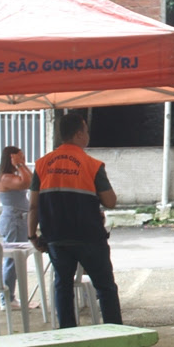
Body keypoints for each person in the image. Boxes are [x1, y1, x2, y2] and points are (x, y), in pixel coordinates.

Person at [27, 113, 122, 328]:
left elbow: (33, 205)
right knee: (105, 287)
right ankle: (115, 333)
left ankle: (69, 333)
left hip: (56, 237)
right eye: (86, 131)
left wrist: (32, 235)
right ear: (79, 133)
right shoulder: (92, 165)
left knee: (63, 285)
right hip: (89, 237)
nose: (88, 135)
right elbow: (110, 201)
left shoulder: (42, 164)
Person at [0, 145, 32, 309]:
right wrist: (19, 165)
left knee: (18, 260)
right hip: (14, 220)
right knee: (12, 260)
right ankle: (6, 298)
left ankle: (11, 296)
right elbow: (26, 183)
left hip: (20, 219)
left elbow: (32, 180)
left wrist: (21, 165)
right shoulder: (6, 178)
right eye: (19, 157)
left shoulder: (14, 174)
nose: (23, 160)